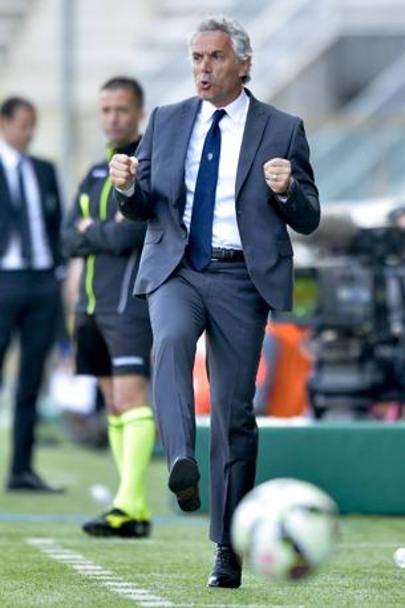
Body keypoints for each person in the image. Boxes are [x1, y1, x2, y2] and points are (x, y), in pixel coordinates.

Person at [110, 16, 320, 586]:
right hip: (176, 267)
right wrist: (126, 186)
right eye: (197, 58)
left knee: (234, 413)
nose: (203, 68)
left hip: (242, 280)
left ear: (244, 64)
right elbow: (143, 205)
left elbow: (308, 218)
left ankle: (228, 546)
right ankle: (181, 459)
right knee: (172, 340)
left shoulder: (283, 129)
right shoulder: (167, 119)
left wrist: (287, 189)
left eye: (216, 57)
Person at [62, 77, 154, 538]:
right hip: (91, 306)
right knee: (114, 405)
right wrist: (101, 231)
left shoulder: (147, 166)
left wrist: (90, 230)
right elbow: (66, 238)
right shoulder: (95, 172)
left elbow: (129, 234)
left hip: (128, 305)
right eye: (106, 110)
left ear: (139, 113)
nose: (113, 118)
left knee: (132, 400)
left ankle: (128, 503)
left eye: (121, 109)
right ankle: (131, 508)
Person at [0, 96, 64, 492]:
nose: (30, 132)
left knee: (31, 379)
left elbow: (56, 224)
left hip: (42, 282)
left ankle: (21, 470)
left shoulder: (44, 170)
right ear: (4, 124)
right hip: (3, 278)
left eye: (33, 124)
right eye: (24, 123)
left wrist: (59, 270)